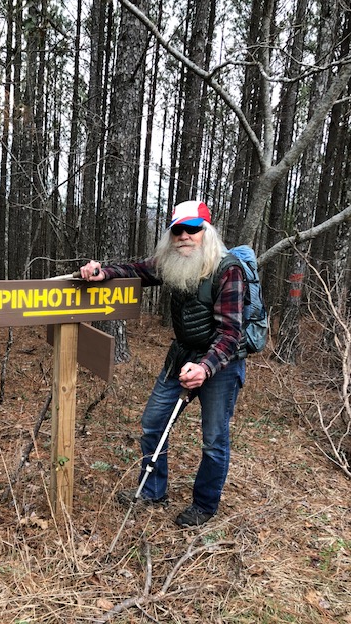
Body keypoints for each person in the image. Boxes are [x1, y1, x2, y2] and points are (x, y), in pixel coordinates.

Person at [79, 200, 246, 527]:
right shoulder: (172, 262)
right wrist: (103, 272)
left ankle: (204, 505)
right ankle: (152, 491)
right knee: (154, 422)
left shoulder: (228, 269)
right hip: (180, 356)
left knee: (214, 440)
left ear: (206, 231)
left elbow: (231, 333)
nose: (184, 236)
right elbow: (137, 270)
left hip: (221, 365)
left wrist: (204, 368)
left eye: (192, 229)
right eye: (177, 230)